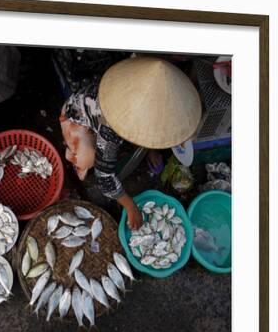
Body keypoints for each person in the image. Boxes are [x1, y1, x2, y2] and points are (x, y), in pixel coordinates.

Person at [60, 56, 201, 230]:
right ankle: (71, 152)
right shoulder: (110, 130)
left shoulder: (149, 77)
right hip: (74, 118)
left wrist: (151, 149)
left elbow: (155, 123)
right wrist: (130, 206)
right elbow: (104, 177)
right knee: (87, 160)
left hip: (94, 105)